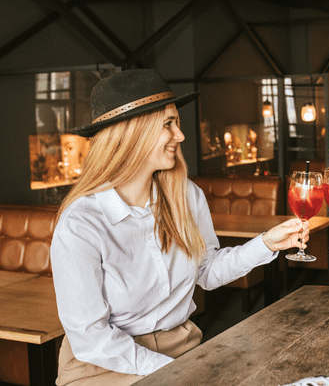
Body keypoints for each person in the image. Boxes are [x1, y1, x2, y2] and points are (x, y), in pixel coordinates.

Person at [50, 69, 310, 385]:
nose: (180, 135)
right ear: (132, 134)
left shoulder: (186, 195)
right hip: (103, 364)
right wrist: (176, 374)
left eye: (177, 123)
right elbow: (91, 339)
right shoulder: (81, 224)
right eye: (168, 125)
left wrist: (267, 243)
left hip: (182, 347)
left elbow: (208, 272)